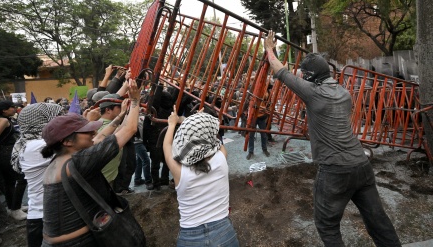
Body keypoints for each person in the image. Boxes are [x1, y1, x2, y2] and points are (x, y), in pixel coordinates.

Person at [264, 30, 401, 246]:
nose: (300, 76)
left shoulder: (313, 93)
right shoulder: (344, 93)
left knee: (327, 225)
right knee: (378, 221)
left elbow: (279, 70)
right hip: (361, 165)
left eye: (303, 74)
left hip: (335, 170)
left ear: (309, 76)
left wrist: (269, 49)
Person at [40, 79, 141, 246]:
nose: (93, 132)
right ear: (67, 141)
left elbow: (100, 137)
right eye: (86, 131)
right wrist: (136, 100)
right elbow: (130, 130)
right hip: (77, 242)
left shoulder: (62, 159)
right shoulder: (80, 162)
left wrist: (122, 115)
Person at [163, 106, 239, 247]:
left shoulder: (179, 171)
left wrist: (172, 124)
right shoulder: (221, 157)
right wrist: (202, 119)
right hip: (223, 233)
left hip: (190, 238)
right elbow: (214, 137)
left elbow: (167, 145)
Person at [11, 103, 63, 247]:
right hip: (46, 217)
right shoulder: (40, 145)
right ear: (44, 120)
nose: (61, 120)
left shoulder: (27, 142)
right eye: (57, 117)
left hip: (41, 214)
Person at [0, 100, 27, 221]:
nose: (15, 109)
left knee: (10, 182)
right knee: (19, 179)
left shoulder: (3, 119)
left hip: (6, 152)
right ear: (4, 110)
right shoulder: (2, 121)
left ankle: (14, 206)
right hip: (5, 154)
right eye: (12, 107)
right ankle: (15, 209)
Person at [246, 91, 270, 160]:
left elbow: (266, 97)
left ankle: (264, 149)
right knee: (251, 135)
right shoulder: (252, 90)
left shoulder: (264, 91)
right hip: (253, 116)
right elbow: (248, 102)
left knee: (263, 134)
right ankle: (251, 151)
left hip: (261, 116)